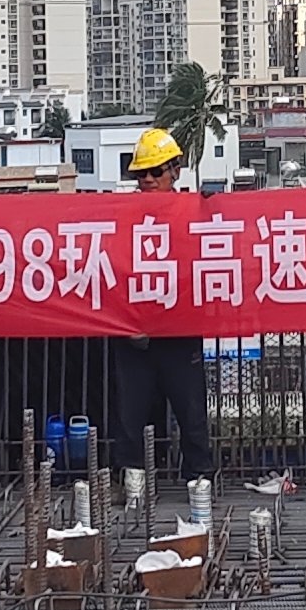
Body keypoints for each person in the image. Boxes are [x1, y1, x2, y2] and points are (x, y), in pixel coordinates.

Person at [111, 128, 213, 492]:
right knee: (130, 416)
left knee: (191, 413)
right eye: (142, 174)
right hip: (135, 336)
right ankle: (133, 484)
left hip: (180, 334)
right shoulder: (121, 217)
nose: (148, 180)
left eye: (156, 172)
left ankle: (199, 481)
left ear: (175, 171)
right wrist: (126, 324)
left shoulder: (195, 215)